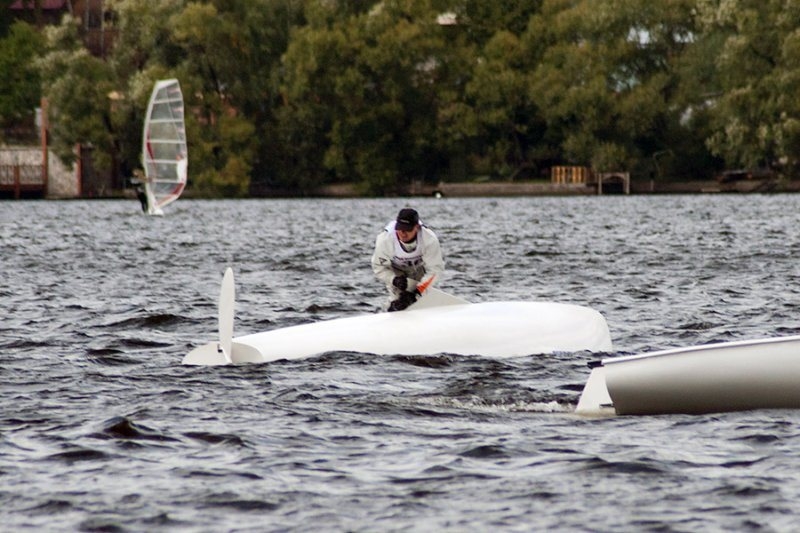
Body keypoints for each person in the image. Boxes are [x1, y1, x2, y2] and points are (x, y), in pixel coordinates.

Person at [371, 208, 445, 311]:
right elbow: (379, 267)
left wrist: (417, 292)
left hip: (420, 270)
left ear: (417, 227)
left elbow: (435, 270)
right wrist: (394, 279)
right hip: (396, 272)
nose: (403, 233)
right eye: (400, 228)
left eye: (407, 229)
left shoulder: (429, 239)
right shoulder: (385, 239)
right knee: (398, 302)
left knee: (418, 297)